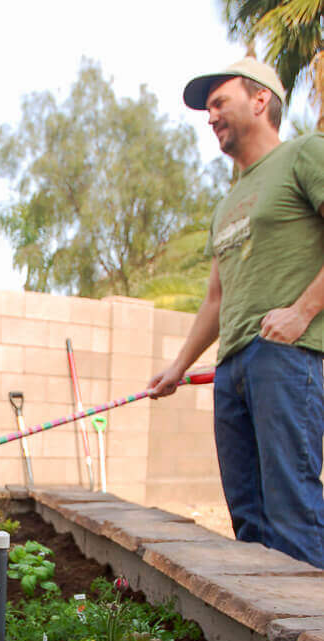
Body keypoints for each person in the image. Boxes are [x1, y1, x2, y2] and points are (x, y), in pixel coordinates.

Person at [149, 58, 324, 569]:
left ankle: (310, 638)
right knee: (247, 519)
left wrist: (301, 311)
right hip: (234, 368)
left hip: (287, 357)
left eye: (219, 102)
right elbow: (215, 300)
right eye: (208, 109)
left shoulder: (304, 155)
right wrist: (178, 366)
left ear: (261, 100)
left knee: (293, 510)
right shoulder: (227, 204)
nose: (210, 116)